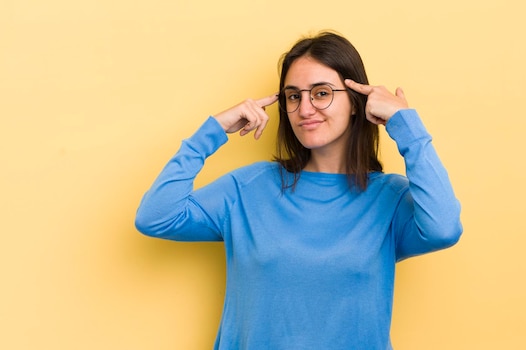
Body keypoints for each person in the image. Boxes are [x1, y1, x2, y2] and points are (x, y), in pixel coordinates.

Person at [135, 31, 463, 350]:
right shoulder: (247, 189)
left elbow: (443, 228)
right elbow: (156, 217)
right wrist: (213, 130)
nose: (305, 109)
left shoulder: (389, 199)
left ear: (355, 103)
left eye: (321, 93)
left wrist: (406, 125)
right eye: (294, 96)